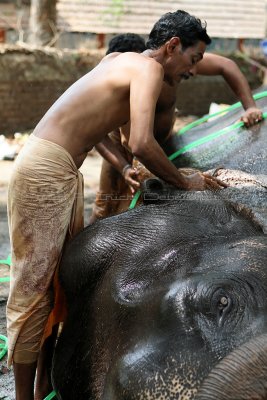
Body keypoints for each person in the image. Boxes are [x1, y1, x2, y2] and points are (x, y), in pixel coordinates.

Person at [6, 10, 226, 400]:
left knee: (58, 282)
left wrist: (127, 166)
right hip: (46, 168)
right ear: (173, 46)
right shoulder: (148, 70)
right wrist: (184, 181)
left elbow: (99, 128)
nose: (193, 70)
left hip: (60, 168)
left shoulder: (117, 61)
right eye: (193, 59)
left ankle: (43, 388)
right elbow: (141, 141)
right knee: (34, 286)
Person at [89, 39, 263, 223]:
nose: (193, 71)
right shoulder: (120, 82)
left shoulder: (168, 67)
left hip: (159, 146)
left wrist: (250, 107)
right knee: (106, 204)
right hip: (130, 150)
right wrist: (123, 167)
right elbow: (108, 136)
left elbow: (225, 65)